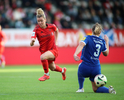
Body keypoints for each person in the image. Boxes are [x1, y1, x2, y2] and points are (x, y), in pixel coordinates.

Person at [73, 23, 116, 94]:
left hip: (85, 67)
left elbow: (81, 44)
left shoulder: (87, 38)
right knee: (95, 89)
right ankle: (109, 90)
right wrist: (107, 42)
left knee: (79, 66)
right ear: (100, 32)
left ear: (92, 30)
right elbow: (106, 54)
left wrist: (75, 54)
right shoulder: (102, 41)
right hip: (96, 68)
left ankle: (81, 88)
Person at [30, 8, 66, 81]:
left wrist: (56, 41)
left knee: (42, 57)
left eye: (41, 21)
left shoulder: (51, 26)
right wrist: (32, 41)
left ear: (45, 20)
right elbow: (32, 39)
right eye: (38, 21)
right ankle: (63, 71)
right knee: (52, 67)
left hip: (53, 50)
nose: (40, 22)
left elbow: (57, 30)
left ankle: (46, 75)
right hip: (44, 51)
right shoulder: (36, 29)